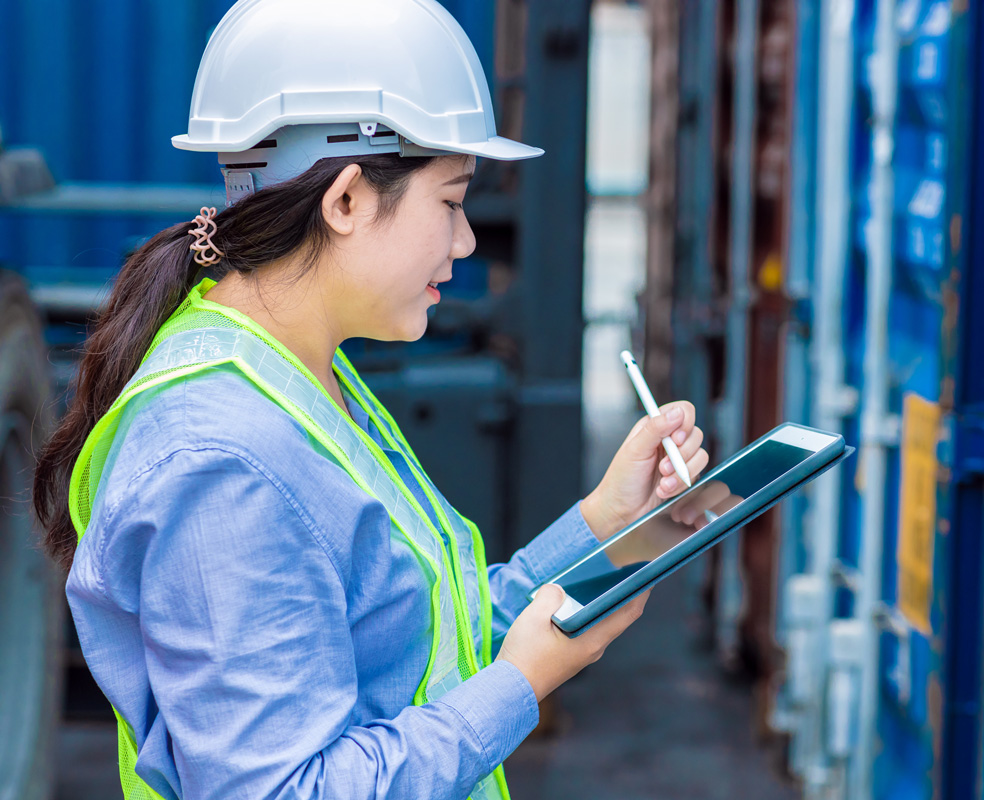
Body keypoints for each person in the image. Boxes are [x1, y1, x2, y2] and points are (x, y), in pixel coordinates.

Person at [30, 1, 708, 798]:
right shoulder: (222, 461)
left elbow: (417, 642)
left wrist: (607, 527)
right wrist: (519, 685)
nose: (464, 242)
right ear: (346, 199)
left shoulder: (302, 378)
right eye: (451, 202)